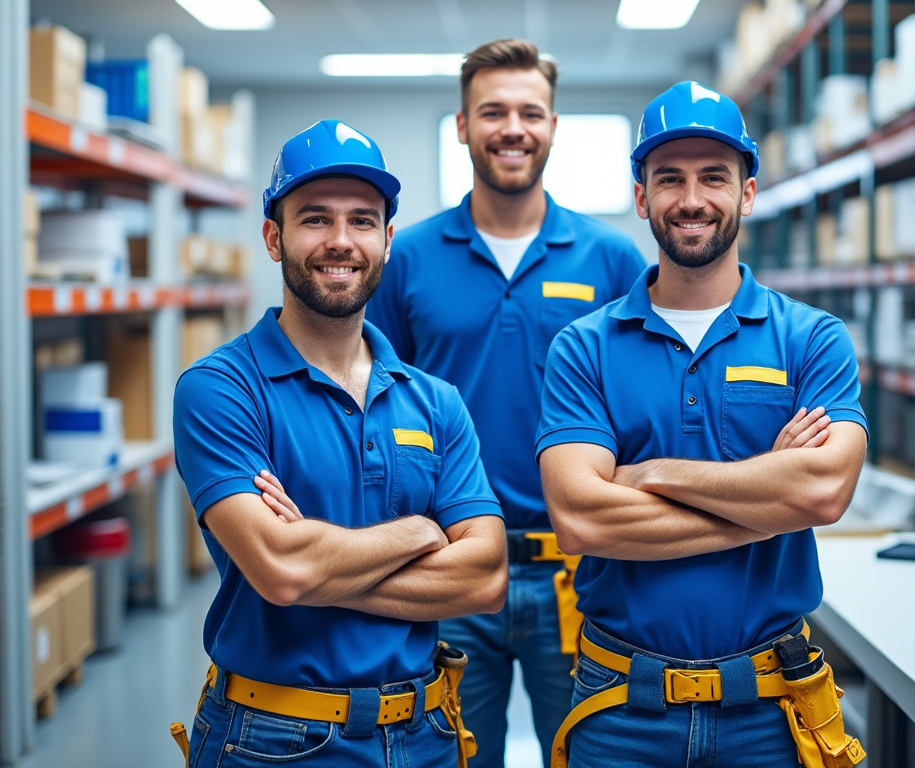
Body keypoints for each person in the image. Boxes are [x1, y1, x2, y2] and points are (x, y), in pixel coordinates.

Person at [535, 81, 870, 768]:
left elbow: (824, 493)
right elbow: (581, 520)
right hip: (620, 704)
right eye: (670, 179)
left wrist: (652, 474)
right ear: (641, 198)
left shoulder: (811, 338)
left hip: (771, 709)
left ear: (747, 192)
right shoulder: (584, 346)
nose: (692, 200)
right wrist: (766, 494)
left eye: (714, 177)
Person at [170, 119, 507, 768]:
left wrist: (317, 560)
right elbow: (282, 567)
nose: (340, 241)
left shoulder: (436, 401)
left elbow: (487, 578)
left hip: (426, 733)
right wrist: (419, 532)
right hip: (271, 739)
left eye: (362, 220)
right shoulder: (220, 390)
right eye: (315, 219)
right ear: (275, 237)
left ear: (387, 240)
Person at [364, 38, 647, 768]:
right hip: (453, 566)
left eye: (531, 111)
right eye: (492, 111)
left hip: (581, 570)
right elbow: (375, 404)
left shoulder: (611, 260)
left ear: (554, 126)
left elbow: (640, 405)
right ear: (462, 126)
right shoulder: (409, 260)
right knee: (453, 756)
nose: (512, 128)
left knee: (590, 754)